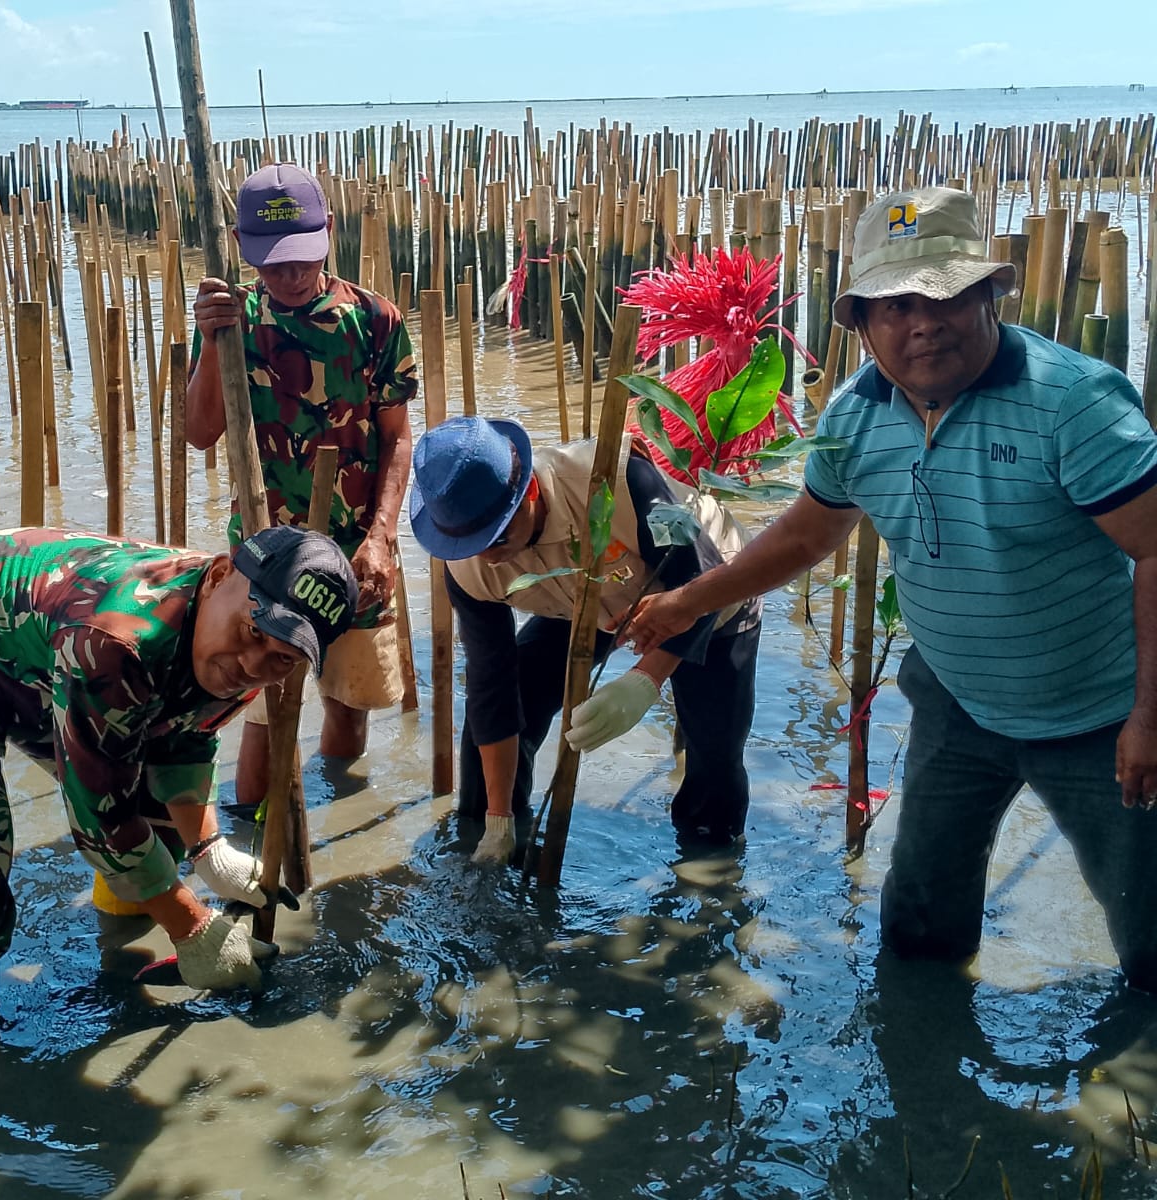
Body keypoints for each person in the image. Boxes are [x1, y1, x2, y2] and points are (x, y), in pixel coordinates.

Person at [626, 186, 1157, 994]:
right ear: (861, 321)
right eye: (896, 303)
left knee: (1147, 937)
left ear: (988, 294)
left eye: (947, 296)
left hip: (1097, 712)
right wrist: (688, 602)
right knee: (917, 931)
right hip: (956, 704)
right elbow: (806, 536)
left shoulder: (1073, 403)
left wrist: (1150, 715)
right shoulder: (853, 419)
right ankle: (923, 1092)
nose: (923, 322)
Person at [0, 525, 360, 1025]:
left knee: (152, 815)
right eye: (252, 634)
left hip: (32, 653)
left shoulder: (244, 644)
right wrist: (194, 926)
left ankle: (123, 944)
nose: (252, 664)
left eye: (283, 658)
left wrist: (209, 852)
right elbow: (99, 819)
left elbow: (184, 736)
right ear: (220, 574)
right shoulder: (116, 641)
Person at [409, 415, 763, 864]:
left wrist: (642, 681)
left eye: (498, 538)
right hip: (581, 601)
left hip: (709, 591)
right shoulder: (467, 567)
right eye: (471, 544)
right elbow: (491, 687)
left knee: (713, 751)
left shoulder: (614, 482)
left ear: (530, 493)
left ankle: (709, 866)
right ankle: (496, 836)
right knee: (500, 717)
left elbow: (700, 580)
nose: (489, 558)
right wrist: (498, 819)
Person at [186, 163, 416, 809]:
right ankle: (252, 838)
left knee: (349, 708)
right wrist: (210, 343)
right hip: (266, 556)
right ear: (241, 247)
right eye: (272, 264)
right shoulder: (231, 318)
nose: (289, 276)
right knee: (259, 716)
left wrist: (382, 537)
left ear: (331, 232)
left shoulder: (374, 320)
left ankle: (336, 844)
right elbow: (200, 434)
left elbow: (397, 437)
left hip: (357, 555)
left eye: (303, 260)